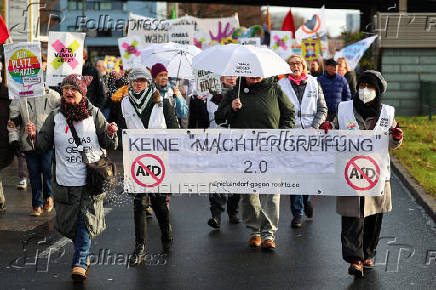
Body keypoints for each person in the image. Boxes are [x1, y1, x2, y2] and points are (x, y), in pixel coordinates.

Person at [25, 74, 118, 283]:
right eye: (65, 88)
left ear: (81, 93)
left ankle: (79, 261)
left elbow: (109, 143)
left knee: (85, 222)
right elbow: (42, 146)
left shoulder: (94, 114)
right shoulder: (56, 116)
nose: (68, 92)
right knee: (70, 225)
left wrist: (111, 132)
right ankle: (83, 255)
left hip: (91, 180)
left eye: (73, 89)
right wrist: (32, 135)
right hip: (65, 182)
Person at [319, 70, 403, 278]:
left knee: (373, 216)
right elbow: (335, 129)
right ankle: (354, 259)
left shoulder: (387, 113)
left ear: (378, 90)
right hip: (350, 172)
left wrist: (397, 137)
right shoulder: (344, 108)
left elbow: (393, 144)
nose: (365, 91)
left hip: (376, 173)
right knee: (352, 216)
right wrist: (329, 126)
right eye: (362, 86)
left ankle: (368, 254)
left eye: (370, 87)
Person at [215, 76, 295, 249]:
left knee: (271, 192)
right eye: (251, 72)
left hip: (270, 150)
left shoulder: (275, 90)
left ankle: (268, 234)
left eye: (258, 72)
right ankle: (255, 231)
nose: (254, 76)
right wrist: (231, 108)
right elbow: (219, 118)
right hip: (243, 151)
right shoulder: (234, 92)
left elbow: (289, 113)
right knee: (248, 193)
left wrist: (282, 134)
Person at [117, 67, 179, 266]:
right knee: (139, 204)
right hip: (137, 161)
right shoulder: (125, 103)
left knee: (159, 203)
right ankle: (140, 248)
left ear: (148, 82)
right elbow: (122, 131)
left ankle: (166, 234)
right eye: (134, 81)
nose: (138, 84)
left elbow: (175, 133)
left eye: (142, 80)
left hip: (159, 160)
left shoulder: (163, 103)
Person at [278, 54, 328, 228]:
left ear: (304, 66)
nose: (295, 66)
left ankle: (307, 199)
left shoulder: (314, 83)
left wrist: (314, 127)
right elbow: (278, 110)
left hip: (310, 135)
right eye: (291, 64)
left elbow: (323, 108)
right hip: (291, 137)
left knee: (308, 172)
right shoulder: (281, 85)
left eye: (298, 63)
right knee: (294, 174)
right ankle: (297, 213)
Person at [189, 76, 241, 228]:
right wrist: (197, 102)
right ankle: (216, 215)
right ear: (220, 77)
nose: (231, 78)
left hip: (235, 142)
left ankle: (233, 211)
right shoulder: (208, 97)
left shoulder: (242, 95)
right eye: (228, 75)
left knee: (234, 177)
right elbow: (201, 121)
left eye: (234, 75)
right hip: (213, 142)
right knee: (215, 177)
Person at [8, 86, 61, 216]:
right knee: (34, 173)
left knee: (47, 171)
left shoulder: (52, 95)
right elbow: (13, 122)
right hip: (28, 143)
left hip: (47, 141)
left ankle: (48, 196)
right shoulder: (19, 96)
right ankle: (37, 203)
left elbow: (61, 115)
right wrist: (13, 140)